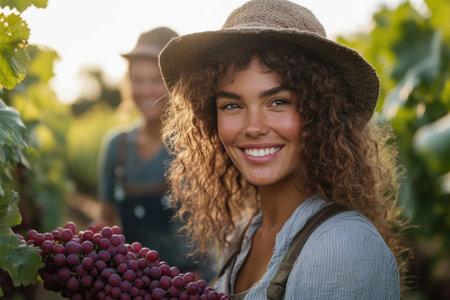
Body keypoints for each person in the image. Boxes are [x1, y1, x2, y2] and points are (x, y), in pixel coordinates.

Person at [158, 0, 410, 299]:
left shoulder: (341, 247)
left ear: (320, 113)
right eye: (232, 105)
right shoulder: (243, 234)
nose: (253, 127)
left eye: (278, 102)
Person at [97, 27, 210, 276]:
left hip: (191, 285)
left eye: (156, 80)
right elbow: (105, 221)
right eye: (137, 80)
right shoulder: (117, 146)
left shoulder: (198, 146)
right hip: (136, 282)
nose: (145, 90)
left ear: (177, 84)